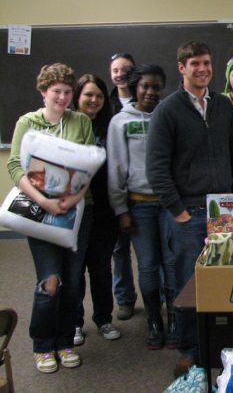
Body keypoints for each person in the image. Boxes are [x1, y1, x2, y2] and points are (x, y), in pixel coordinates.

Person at [146, 41, 233, 377]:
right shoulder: (168, 110)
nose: (202, 69)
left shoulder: (221, 106)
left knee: (226, 280)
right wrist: (178, 212)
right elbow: (157, 168)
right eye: (195, 64)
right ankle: (190, 350)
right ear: (181, 68)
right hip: (187, 212)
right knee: (187, 285)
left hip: (225, 211)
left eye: (206, 63)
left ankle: (223, 345)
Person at [7, 63, 95, 373]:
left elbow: (86, 165)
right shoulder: (26, 123)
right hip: (39, 212)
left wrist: (69, 199)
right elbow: (15, 167)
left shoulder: (81, 121)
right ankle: (42, 345)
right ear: (44, 92)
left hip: (75, 211)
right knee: (50, 282)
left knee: (72, 283)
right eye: (56, 91)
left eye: (67, 92)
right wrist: (44, 200)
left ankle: (64, 341)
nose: (62, 97)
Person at [108, 63, 178, 350]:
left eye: (156, 87)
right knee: (148, 266)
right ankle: (153, 321)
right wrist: (120, 209)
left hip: (170, 205)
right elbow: (116, 167)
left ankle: (174, 318)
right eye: (145, 86)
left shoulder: (170, 115)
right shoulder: (120, 122)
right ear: (135, 87)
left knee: (172, 264)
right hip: (139, 206)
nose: (150, 92)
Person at [72, 75, 121, 346]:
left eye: (99, 96)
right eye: (88, 95)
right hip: (76, 210)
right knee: (75, 269)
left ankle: (103, 318)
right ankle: (75, 323)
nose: (94, 100)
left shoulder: (109, 126)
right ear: (78, 96)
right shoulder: (68, 127)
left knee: (101, 268)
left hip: (105, 210)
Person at [108, 52, 139, 321]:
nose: (121, 74)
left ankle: (162, 300)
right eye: (116, 70)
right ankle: (125, 299)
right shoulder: (105, 104)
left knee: (152, 253)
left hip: (143, 191)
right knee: (120, 250)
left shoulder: (148, 103)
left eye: (126, 69)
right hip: (114, 187)